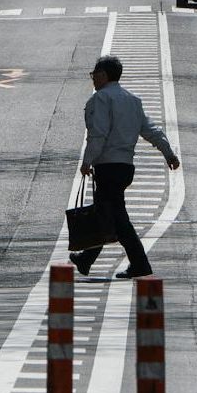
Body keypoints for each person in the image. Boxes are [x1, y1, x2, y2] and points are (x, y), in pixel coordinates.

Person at [71, 54, 180, 281]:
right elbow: (151, 130)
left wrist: (87, 160)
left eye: (94, 74)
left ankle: (139, 264)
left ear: (103, 75)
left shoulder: (100, 99)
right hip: (125, 166)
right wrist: (168, 153)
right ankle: (86, 259)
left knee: (117, 218)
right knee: (108, 213)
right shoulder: (133, 100)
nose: (93, 79)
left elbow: (98, 134)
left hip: (107, 165)